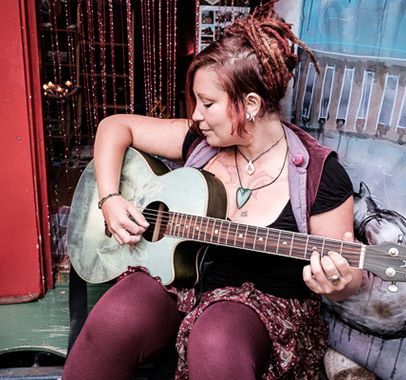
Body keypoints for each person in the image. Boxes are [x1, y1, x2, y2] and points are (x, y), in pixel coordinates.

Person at [62, 2, 362, 379]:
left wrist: (337, 283)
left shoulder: (320, 173)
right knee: (114, 317)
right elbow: (114, 126)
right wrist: (110, 199)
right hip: (178, 281)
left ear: (250, 105)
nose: (196, 116)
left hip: (263, 307)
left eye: (207, 103)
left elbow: (347, 276)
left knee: (215, 340)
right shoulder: (200, 141)